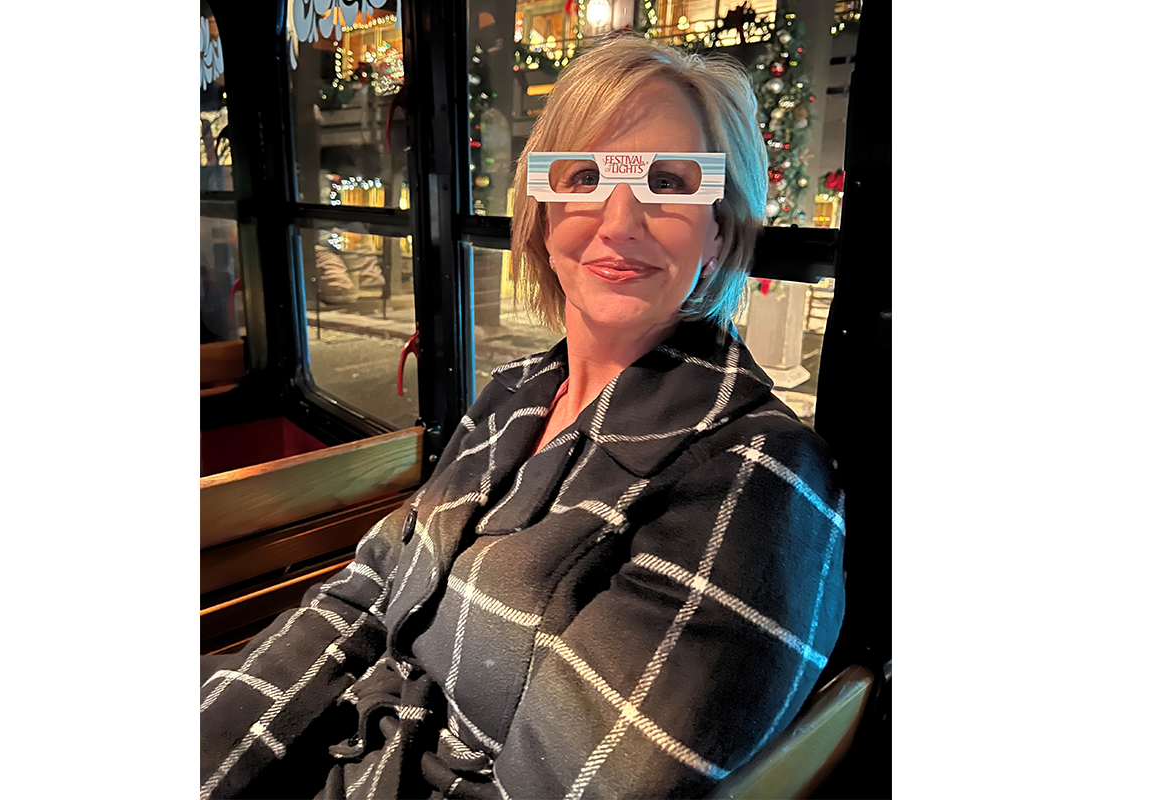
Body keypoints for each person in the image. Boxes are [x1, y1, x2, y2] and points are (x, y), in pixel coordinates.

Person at [201, 37, 845, 800]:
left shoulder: (758, 481)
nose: (620, 219)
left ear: (719, 230)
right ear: (540, 217)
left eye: (670, 182)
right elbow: (363, 592)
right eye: (582, 177)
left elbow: (570, 784)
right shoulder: (515, 395)